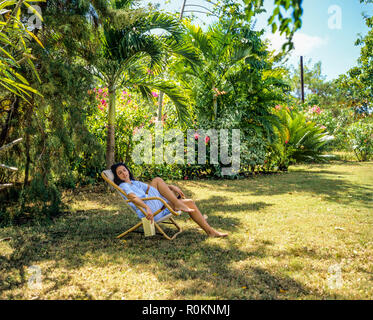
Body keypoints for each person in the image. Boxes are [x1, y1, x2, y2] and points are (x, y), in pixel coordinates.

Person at [111, 162, 228, 238]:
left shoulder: (134, 183)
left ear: (128, 171)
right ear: (117, 177)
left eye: (124, 170)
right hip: (151, 211)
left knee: (189, 202)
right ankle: (176, 203)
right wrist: (146, 208)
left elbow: (152, 187)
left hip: (156, 204)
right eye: (119, 173)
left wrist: (170, 187)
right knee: (158, 180)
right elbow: (133, 198)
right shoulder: (124, 186)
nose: (123, 173)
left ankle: (210, 231)